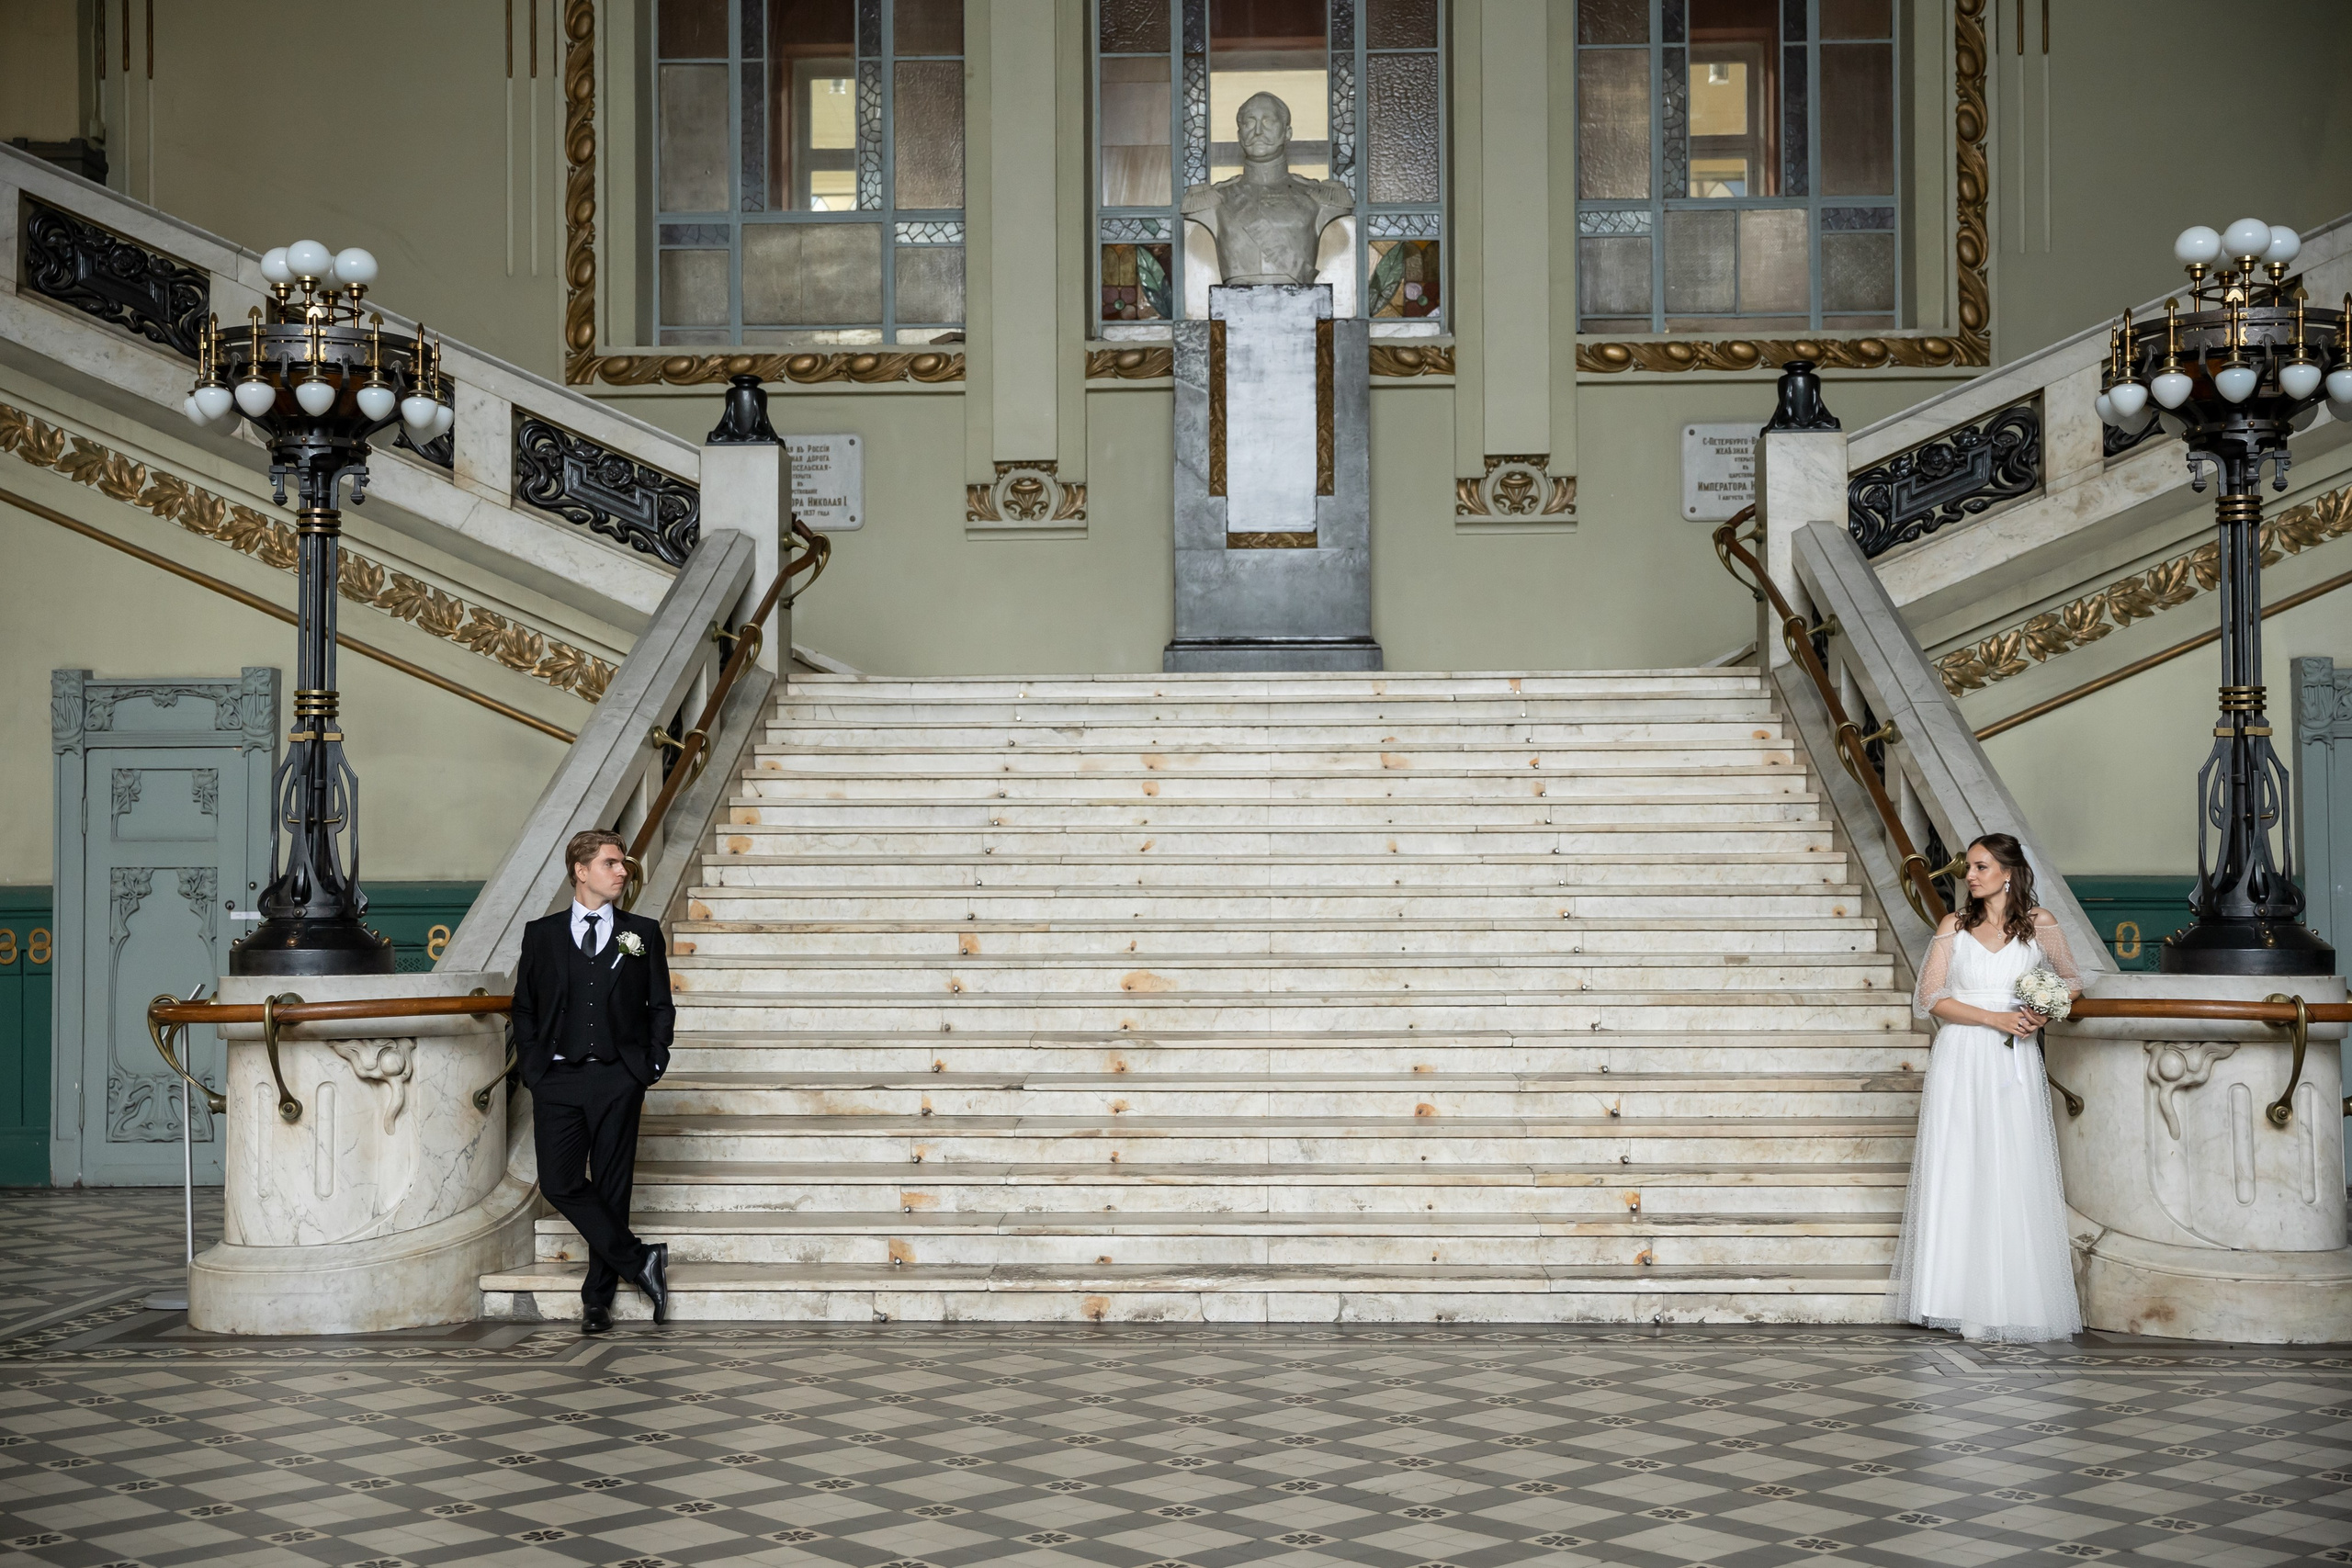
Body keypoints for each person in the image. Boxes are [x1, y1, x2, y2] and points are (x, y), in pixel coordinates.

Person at [1888, 832, 2085, 1343]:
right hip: (1962, 1054)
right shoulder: (1954, 924)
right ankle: (1951, 1295)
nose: (1970, 876)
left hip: (2012, 1059)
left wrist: (2040, 1014)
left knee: (2012, 1164)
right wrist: (1993, 1018)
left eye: (1979, 867)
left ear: (2008, 872)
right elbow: (1930, 997)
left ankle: (2013, 1297)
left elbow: (2071, 981)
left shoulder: (2041, 925)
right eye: (1969, 869)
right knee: (1960, 1162)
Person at [509, 829, 673, 1334]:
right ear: (581, 871)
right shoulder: (542, 933)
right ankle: (640, 1258)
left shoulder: (641, 933)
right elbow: (525, 1006)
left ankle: (597, 1300)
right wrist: (534, 1067)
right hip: (556, 1077)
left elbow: (659, 1005)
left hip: (617, 1078)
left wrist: (648, 1065)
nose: (622, 871)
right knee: (559, 1182)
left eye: (621, 864)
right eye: (610, 863)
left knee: (612, 1186)